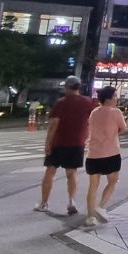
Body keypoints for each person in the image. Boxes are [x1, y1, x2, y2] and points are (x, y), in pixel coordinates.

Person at [36, 76, 97, 215]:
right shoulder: (88, 102)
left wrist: (48, 142)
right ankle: (71, 201)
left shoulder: (61, 102)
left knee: (50, 171)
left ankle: (44, 203)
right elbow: (90, 122)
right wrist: (87, 136)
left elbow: (54, 124)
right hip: (77, 142)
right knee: (72, 172)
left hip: (58, 142)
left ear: (68, 87)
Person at [83, 86, 127, 227]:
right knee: (113, 180)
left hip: (93, 154)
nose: (116, 99)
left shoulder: (94, 112)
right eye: (115, 96)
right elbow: (123, 127)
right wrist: (112, 133)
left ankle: (90, 217)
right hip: (111, 153)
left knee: (93, 185)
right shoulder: (116, 112)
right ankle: (100, 207)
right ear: (108, 99)